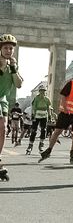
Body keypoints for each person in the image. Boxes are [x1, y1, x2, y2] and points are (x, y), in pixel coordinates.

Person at [38, 67, 73, 164]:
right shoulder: (71, 84)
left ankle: (72, 153)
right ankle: (49, 150)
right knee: (57, 132)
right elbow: (63, 95)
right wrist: (65, 107)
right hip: (66, 112)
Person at [0, 34, 23, 178]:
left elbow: (19, 84)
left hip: (3, 101)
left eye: (11, 48)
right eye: (6, 48)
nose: (9, 51)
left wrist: (13, 68)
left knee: (3, 130)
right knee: (1, 126)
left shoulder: (13, 65)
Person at [26, 85, 51, 154]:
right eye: (41, 91)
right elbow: (34, 107)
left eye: (44, 91)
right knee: (34, 131)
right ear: (39, 91)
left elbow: (48, 108)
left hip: (44, 116)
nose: (43, 92)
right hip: (37, 115)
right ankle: (30, 145)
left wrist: (50, 116)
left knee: (44, 130)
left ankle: (41, 145)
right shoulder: (36, 98)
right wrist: (33, 115)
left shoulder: (47, 99)